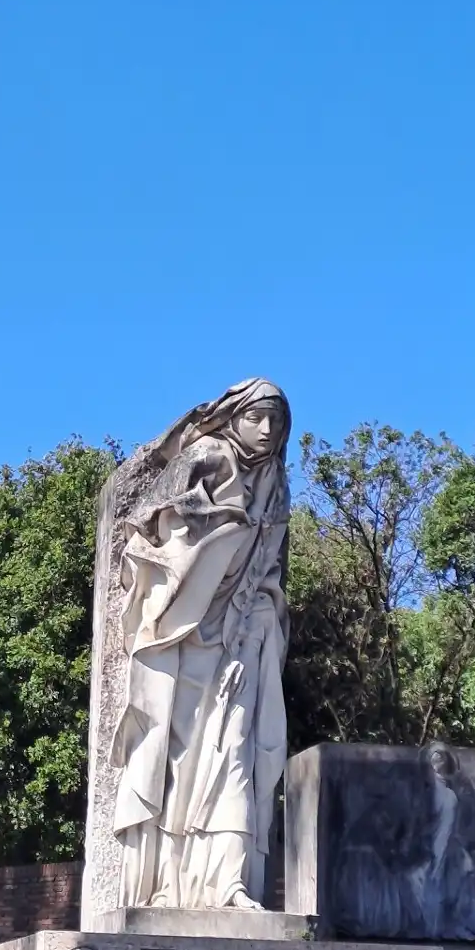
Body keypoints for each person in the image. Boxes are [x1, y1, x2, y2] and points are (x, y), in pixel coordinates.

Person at [110, 378, 291, 910]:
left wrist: (254, 620)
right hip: (185, 634)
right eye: (257, 417)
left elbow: (269, 570)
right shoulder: (208, 455)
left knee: (237, 751)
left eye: (276, 421)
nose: (267, 429)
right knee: (175, 758)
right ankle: (167, 884)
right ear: (235, 416)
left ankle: (230, 882)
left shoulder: (277, 482)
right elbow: (160, 529)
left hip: (241, 639)